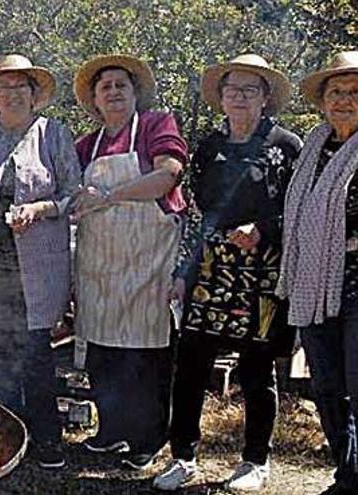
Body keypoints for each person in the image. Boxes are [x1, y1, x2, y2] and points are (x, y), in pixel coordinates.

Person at [153, 54, 301, 492]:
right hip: (210, 269)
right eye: (232, 89)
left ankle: (255, 460)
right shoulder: (208, 147)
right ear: (220, 97)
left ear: (265, 97)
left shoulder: (287, 145)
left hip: (264, 271)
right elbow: (195, 214)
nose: (239, 97)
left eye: (249, 90)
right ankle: (183, 456)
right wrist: (182, 270)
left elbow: (298, 211)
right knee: (191, 366)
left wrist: (263, 230)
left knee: (257, 369)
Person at [0, 54, 80, 468]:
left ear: (34, 95)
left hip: (38, 267)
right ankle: (8, 439)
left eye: (20, 87)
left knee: (35, 355)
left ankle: (47, 439)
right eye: (3, 88)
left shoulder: (53, 134)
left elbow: (73, 193)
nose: (12, 94)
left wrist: (40, 209)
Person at [71, 54, 188, 470]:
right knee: (103, 354)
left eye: (122, 85)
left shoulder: (157, 126)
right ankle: (110, 430)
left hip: (148, 263)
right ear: (96, 101)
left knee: (146, 357)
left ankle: (148, 438)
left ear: (135, 93)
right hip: (99, 267)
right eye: (106, 87)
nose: (115, 92)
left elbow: (167, 175)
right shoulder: (87, 145)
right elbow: (71, 198)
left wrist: (107, 197)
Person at [277, 51, 358, 495]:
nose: (344, 100)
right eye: (336, 92)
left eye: (354, 93)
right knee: (327, 387)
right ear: (323, 101)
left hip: (357, 278)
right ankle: (346, 475)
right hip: (315, 279)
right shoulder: (314, 146)